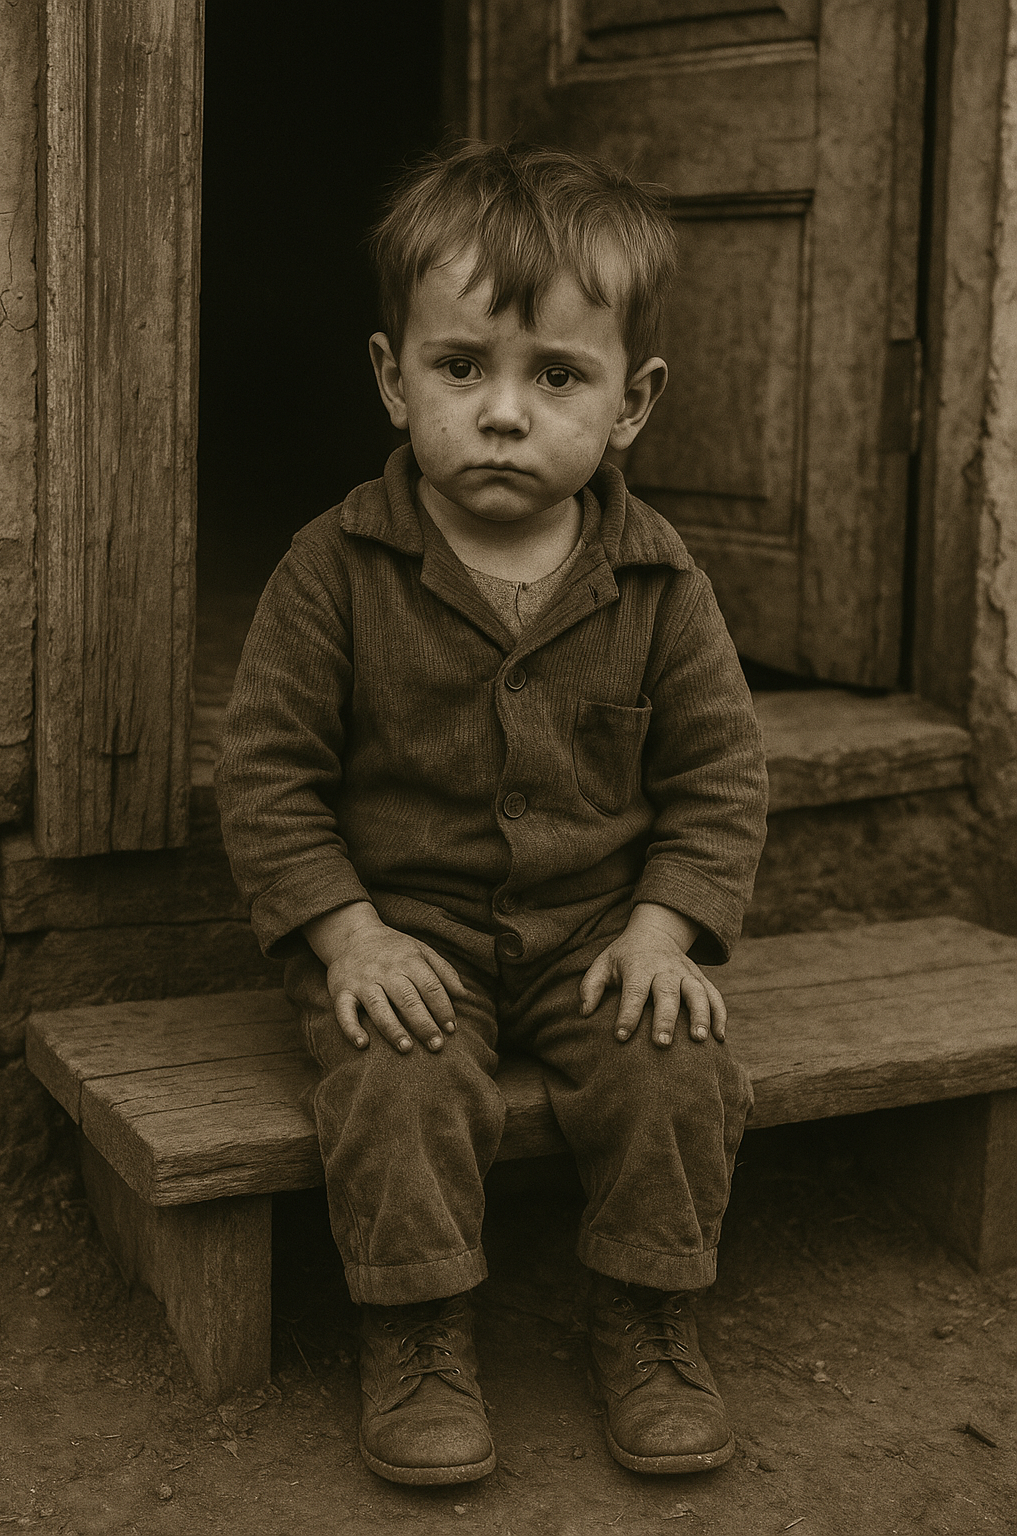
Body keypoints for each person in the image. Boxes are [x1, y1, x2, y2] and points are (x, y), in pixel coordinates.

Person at [216, 140, 768, 1487]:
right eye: (461, 367)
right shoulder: (332, 571)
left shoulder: (660, 583)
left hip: (597, 935)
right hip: (409, 938)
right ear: (391, 376)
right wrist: (349, 938)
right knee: (393, 1081)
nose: (504, 414)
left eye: (557, 376)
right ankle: (416, 1335)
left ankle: (649, 1315)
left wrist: (661, 934)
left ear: (632, 403)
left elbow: (718, 780)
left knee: (675, 1065)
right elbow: (268, 777)